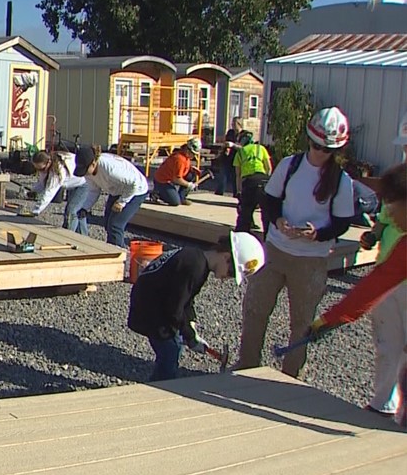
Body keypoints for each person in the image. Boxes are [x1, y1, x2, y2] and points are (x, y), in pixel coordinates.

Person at [237, 106, 356, 378]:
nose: (319, 153)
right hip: (277, 250)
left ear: (335, 151)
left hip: (311, 260)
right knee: (255, 309)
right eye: (315, 146)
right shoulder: (290, 165)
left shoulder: (342, 182)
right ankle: (246, 367)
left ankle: (289, 377)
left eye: (325, 149)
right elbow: (270, 200)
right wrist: (277, 221)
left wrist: (317, 233)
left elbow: (342, 223)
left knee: (301, 322)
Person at [128, 232, 265, 381]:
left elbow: (186, 299)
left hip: (154, 304)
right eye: (231, 273)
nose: (227, 278)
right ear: (225, 257)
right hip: (151, 311)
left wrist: (190, 324)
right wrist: (189, 336)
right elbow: (175, 309)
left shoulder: (196, 259)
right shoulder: (194, 267)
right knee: (170, 351)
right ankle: (160, 387)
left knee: (174, 346)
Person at [355, 157, 407, 416]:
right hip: (387, 275)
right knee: (388, 345)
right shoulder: (399, 183)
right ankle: (384, 403)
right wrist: (373, 235)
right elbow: (385, 218)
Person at [74, 145, 150, 247]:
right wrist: (85, 208)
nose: (84, 173)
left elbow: (134, 184)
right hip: (117, 189)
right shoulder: (89, 172)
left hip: (136, 190)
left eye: (85, 169)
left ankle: (120, 255)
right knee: (107, 223)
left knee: (115, 225)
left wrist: (122, 202)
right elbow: (94, 191)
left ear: (93, 163)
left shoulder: (111, 170)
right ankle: (111, 249)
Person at [25, 150, 90, 235]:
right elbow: (42, 183)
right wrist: (33, 191)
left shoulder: (58, 171)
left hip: (84, 183)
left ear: (48, 163)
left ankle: (69, 236)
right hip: (74, 184)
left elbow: (49, 192)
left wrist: (36, 211)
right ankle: (83, 236)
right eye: (36, 169)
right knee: (78, 212)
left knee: (71, 211)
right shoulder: (47, 167)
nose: (40, 171)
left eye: (41, 169)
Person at [232, 129, 273, 232]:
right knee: (267, 213)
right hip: (264, 180)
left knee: (245, 213)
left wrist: (239, 191)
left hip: (249, 181)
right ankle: (268, 238)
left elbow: (238, 175)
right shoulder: (261, 148)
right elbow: (269, 168)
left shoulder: (240, 152)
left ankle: (242, 235)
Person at [152, 138, 203, 206]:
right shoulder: (180, 159)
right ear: (188, 150)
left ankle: (182, 198)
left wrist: (192, 169)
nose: (194, 156)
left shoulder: (185, 156)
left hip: (171, 179)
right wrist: (188, 185)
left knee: (190, 174)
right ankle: (157, 194)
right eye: (193, 154)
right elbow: (176, 179)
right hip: (162, 181)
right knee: (175, 202)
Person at [215, 117, 243, 196]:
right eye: (232, 123)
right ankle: (219, 192)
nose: (232, 125)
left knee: (235, 177)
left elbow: (243, 147)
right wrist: (226, 148)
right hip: (227, 157)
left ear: (239, 124)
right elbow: (227, 142)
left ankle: (236, 193)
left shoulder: (245, 135)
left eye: (234, 124)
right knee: (223, 175)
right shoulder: (230, 132)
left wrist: (233, 145)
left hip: (237, 158)